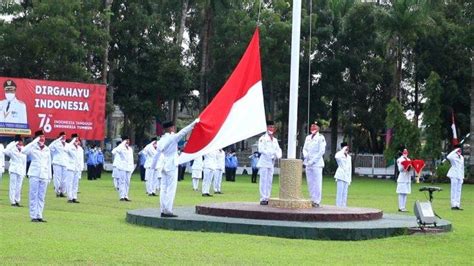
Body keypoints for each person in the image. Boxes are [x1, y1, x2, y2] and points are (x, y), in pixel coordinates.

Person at [150, 119, 198, 217]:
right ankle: (168, 210)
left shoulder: (161, 140)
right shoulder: (172, 137)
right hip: (171, 164)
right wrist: (194, 123)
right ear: (171, 128)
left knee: (163, 188)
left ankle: (163, 209)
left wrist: (153, 167)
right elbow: (184, 131)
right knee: (171, 188)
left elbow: (157, 155)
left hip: (163, 165)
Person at [22, 130, 51, 222]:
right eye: (40, 137)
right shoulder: (32, 147)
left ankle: (39, 215)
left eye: (43, 136)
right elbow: (23, 151)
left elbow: (48, 163)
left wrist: (49, 176)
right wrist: (34, 141)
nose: (42, 138)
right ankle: (33, 216)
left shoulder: (47, 149)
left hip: (44, 175)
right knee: (33, 195)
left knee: (41, 196)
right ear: (37, 138)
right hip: (34, 174)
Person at [257, 120, 282, 205]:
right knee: (263, 180)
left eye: (272, 127)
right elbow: (261, 149)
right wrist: (270, 154)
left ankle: (267, 197)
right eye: (270, 127)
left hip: (271, 163)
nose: (271, 128)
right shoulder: (263, 138)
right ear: (267, 128)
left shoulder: (274, 140)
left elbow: (278, 149)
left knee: (269, 180)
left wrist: (278, 155)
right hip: (264, 161)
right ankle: (263, 198)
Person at [302, 121, 326, 207]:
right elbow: (304, 148)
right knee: (310, 182)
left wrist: (313, 161)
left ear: (318, 128)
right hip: (308, 163)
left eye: (315, 126)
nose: (313, 128)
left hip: (317, 163)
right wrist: (306, 155)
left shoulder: (321, 137)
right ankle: (312, 199)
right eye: (312, 126)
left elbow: (321, 151)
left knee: (317, 182)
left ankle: (317, 201)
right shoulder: (308, 137)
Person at [5, 135, 27, 207]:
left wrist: (24, 172)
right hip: (14, 169)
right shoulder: (12, 148)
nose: (21, 142)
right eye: (20, 141)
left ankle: (17, 201)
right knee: (13, 186)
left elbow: (24, 161)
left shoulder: (23, 149)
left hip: (20, 169)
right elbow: (5, 151)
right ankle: (12, 201)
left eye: (21, 141)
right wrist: (14, 143)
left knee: (19, 186)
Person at [112, 136, 134, 201]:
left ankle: (126, 196)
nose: (127, 142)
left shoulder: (130, 149)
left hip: (129, 167)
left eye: (128, 140)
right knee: (122, 181)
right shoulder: (120, 148)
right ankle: (121, 196)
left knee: (128, 182)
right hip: (122, 167)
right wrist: (122, 144)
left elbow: (131, 159)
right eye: (126, 140)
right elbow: (113, 151)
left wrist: (132, 167)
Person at [65, 134, 83, 203]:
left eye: (77, 140)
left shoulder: (80, 149)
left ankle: (74, 197)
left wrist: (81, 168)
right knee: (69, 183)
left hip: (77, 168)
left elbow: (81, 159)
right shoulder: (69, 147)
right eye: (75, 140)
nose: (77, 141)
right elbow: (65, 149)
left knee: (76, 183)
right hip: (70, 167)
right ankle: (69, 198)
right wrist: (72, 141)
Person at [49, 132, 69, 197]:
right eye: (62, 136)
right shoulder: (56, 144)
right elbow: (50, 147)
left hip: (65, 163)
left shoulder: (67, 145)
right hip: (57, 163)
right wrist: (57, 140)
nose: (64, 138)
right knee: (57, 178)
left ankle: (63, 192)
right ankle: (57, 192)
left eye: (65, 136)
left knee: (64, 179)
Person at [446, 145, 464, 210]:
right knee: (454, 190)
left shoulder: (461, 157)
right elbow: (448, 156)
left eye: (460, 150)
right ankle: (453, 205)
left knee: (459, 190)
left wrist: (462, 176)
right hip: (454, 174)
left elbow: (462, 167)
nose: (459, 151)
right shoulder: (453, 156)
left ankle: (457, 205)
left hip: (460, 175)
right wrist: (455, 150)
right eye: (458, 150)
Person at [334, 142, 351, 207]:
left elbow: (350, 169)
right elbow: (336, 156)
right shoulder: (340, 155)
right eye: (345, 149)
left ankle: (344, 206)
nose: (346, 150)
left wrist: (349, 179)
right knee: (339, 192)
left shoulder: (349, 157)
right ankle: (338, 206)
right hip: (340, 175)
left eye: (347, 149)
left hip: (346, 176)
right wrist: (342, 151)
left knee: (345, 193)